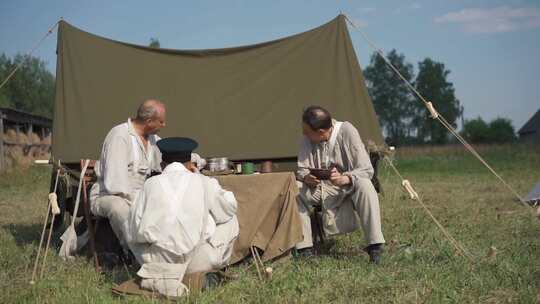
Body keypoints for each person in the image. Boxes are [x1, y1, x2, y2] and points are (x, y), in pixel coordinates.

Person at [128, 137, 239, 298]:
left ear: (162, 165)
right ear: (190, 164)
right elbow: (229, 207)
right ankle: (199, 275)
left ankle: (160, 278)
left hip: (153, 262)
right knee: (230, 218)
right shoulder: (203, 181)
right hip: (195, 263)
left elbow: (133, 229)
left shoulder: (148, 185)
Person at [295, 105, 385, 263]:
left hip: (346, 188)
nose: (304, 134)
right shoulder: (307, 138)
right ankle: (305, 249)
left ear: (321, 132)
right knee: (294, 188)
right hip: (319, 188)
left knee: (365, 185)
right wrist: (306, 177)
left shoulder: (347, 131)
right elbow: (301, 169)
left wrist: (346, 178)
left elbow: (366, 169)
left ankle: (375, 246)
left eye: (307, 132)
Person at [90, 99, 166, 249]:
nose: (164, 125)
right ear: (149, 121)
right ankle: (134, 252)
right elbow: (115, 183)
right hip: (109, 195)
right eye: (161, 122)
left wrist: (195, 160)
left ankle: (161, 249)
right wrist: (141, 201)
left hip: (139, 196)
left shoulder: (153, 139)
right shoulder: (119, 136)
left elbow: (168, 153)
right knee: (119, 208)